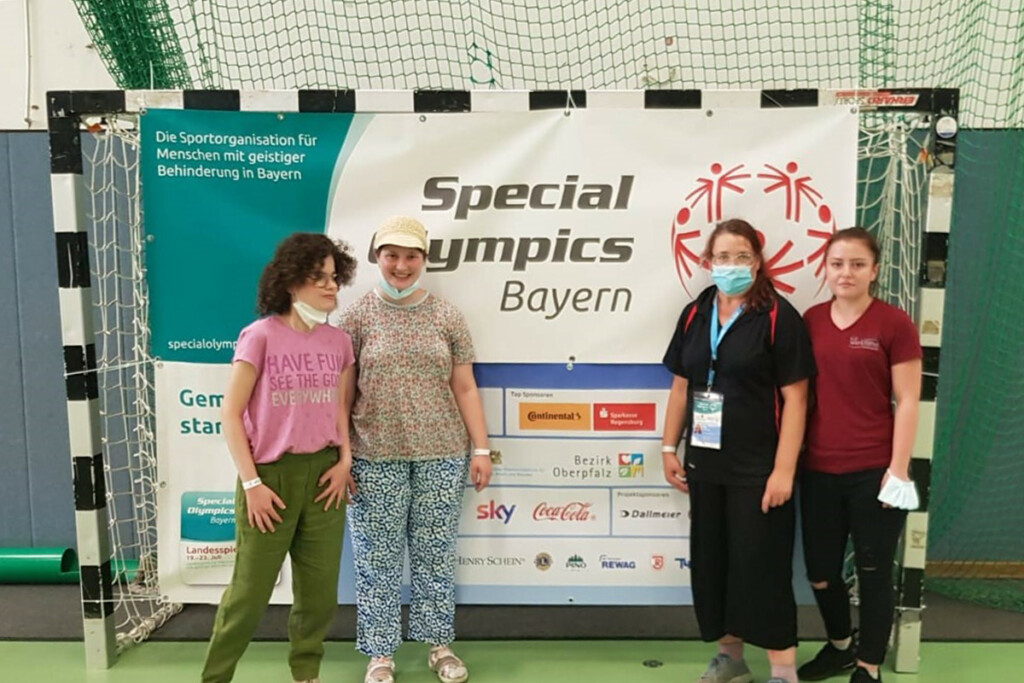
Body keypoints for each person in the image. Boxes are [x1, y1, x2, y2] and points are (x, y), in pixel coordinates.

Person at [660, 218, 815, 683]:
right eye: (722, 257)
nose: (731, 265)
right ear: (707, 262)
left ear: (759, 262)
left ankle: (783, 670)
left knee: (761, 568)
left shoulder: (777, 316)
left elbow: (797, 398)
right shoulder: (695, 312)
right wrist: (669, 446)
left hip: (759, 469)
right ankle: (731, 658)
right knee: (714, 563)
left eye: (742, 256)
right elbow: (681, 385)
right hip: (705, 465)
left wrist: (783, 471)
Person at [340, 216, 492, 683]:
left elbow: (464, 387)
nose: (401, 265)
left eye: (411, 256)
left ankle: (438, 646)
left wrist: (481, 449)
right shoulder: (355, 317)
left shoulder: (447, 317)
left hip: (442, 455)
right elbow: (341, 396)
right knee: (376, 558)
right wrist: (342, 455)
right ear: (377, 258)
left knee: (435, 553)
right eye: (392, 255)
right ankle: (380, 655)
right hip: (373, 456)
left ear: (424, 260)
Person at [201, 233, 359, 683]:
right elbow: (230, 414)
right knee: (249, 595)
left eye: (333, 278)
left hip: (325, 477)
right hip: (269, 478)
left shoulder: (339, 343)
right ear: (291, 283)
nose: (331, 287)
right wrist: (252, 484)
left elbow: (339, 409)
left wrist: (344, 460)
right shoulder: (260, 337)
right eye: (318, 278)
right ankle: (215, 677)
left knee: (319, 596)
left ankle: (306, 673)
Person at [797, 228, 922, 683]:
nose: (845, 273)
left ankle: (868, 666)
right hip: (818, 471)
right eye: (837, 264)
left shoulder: (894, 324)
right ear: (825, 268)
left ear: (874, 270)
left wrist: (898, 472)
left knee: (872, 573)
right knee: (820, 573)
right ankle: (840, 647)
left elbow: (908, 400)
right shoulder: (809, 321)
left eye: (856, 264)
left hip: (875, 471)